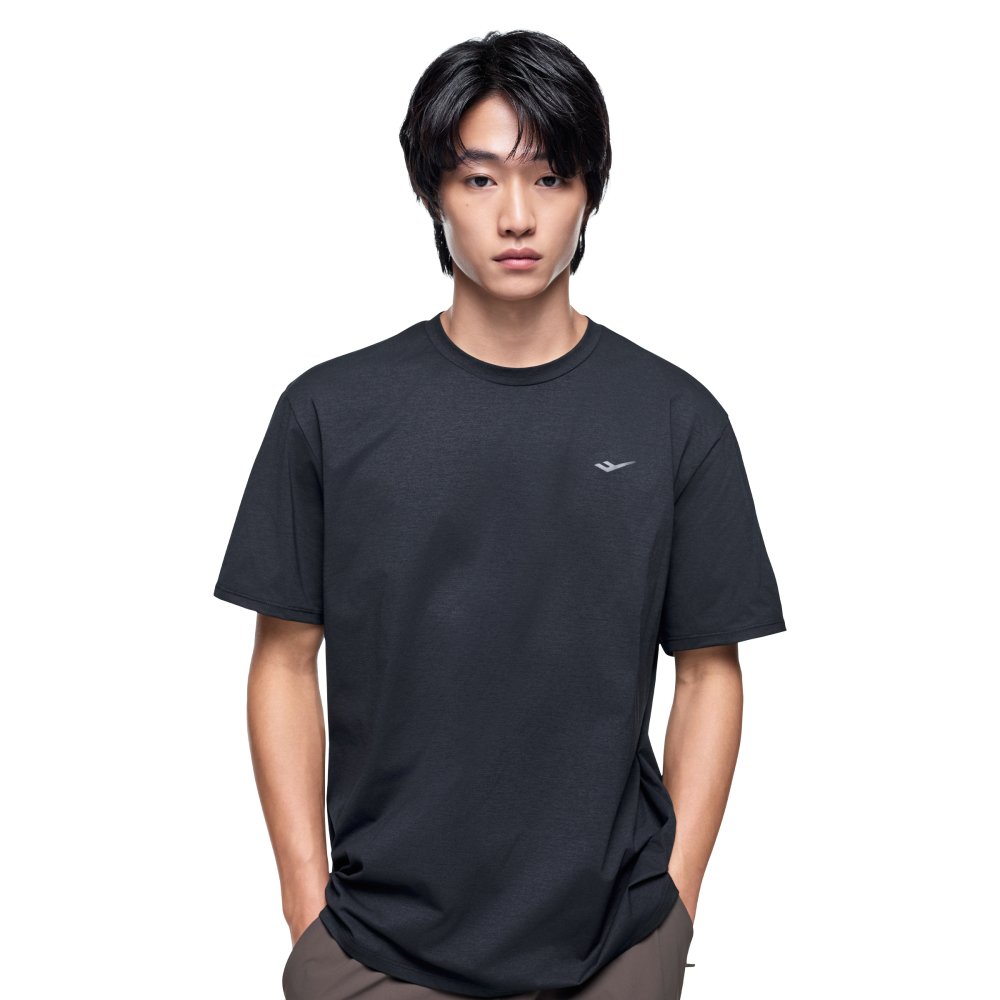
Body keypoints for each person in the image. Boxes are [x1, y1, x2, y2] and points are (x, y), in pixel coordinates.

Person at [214, 28, 786, 1000]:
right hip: (373, 949)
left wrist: (674, 909)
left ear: (589, 191)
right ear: (432, 192)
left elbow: (708, 670)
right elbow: (282, 660)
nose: (517, 216)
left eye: (550, 177)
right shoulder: (329, 413)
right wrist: (306, 909)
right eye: (479, 179)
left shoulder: (674, 417)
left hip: (613, 945)